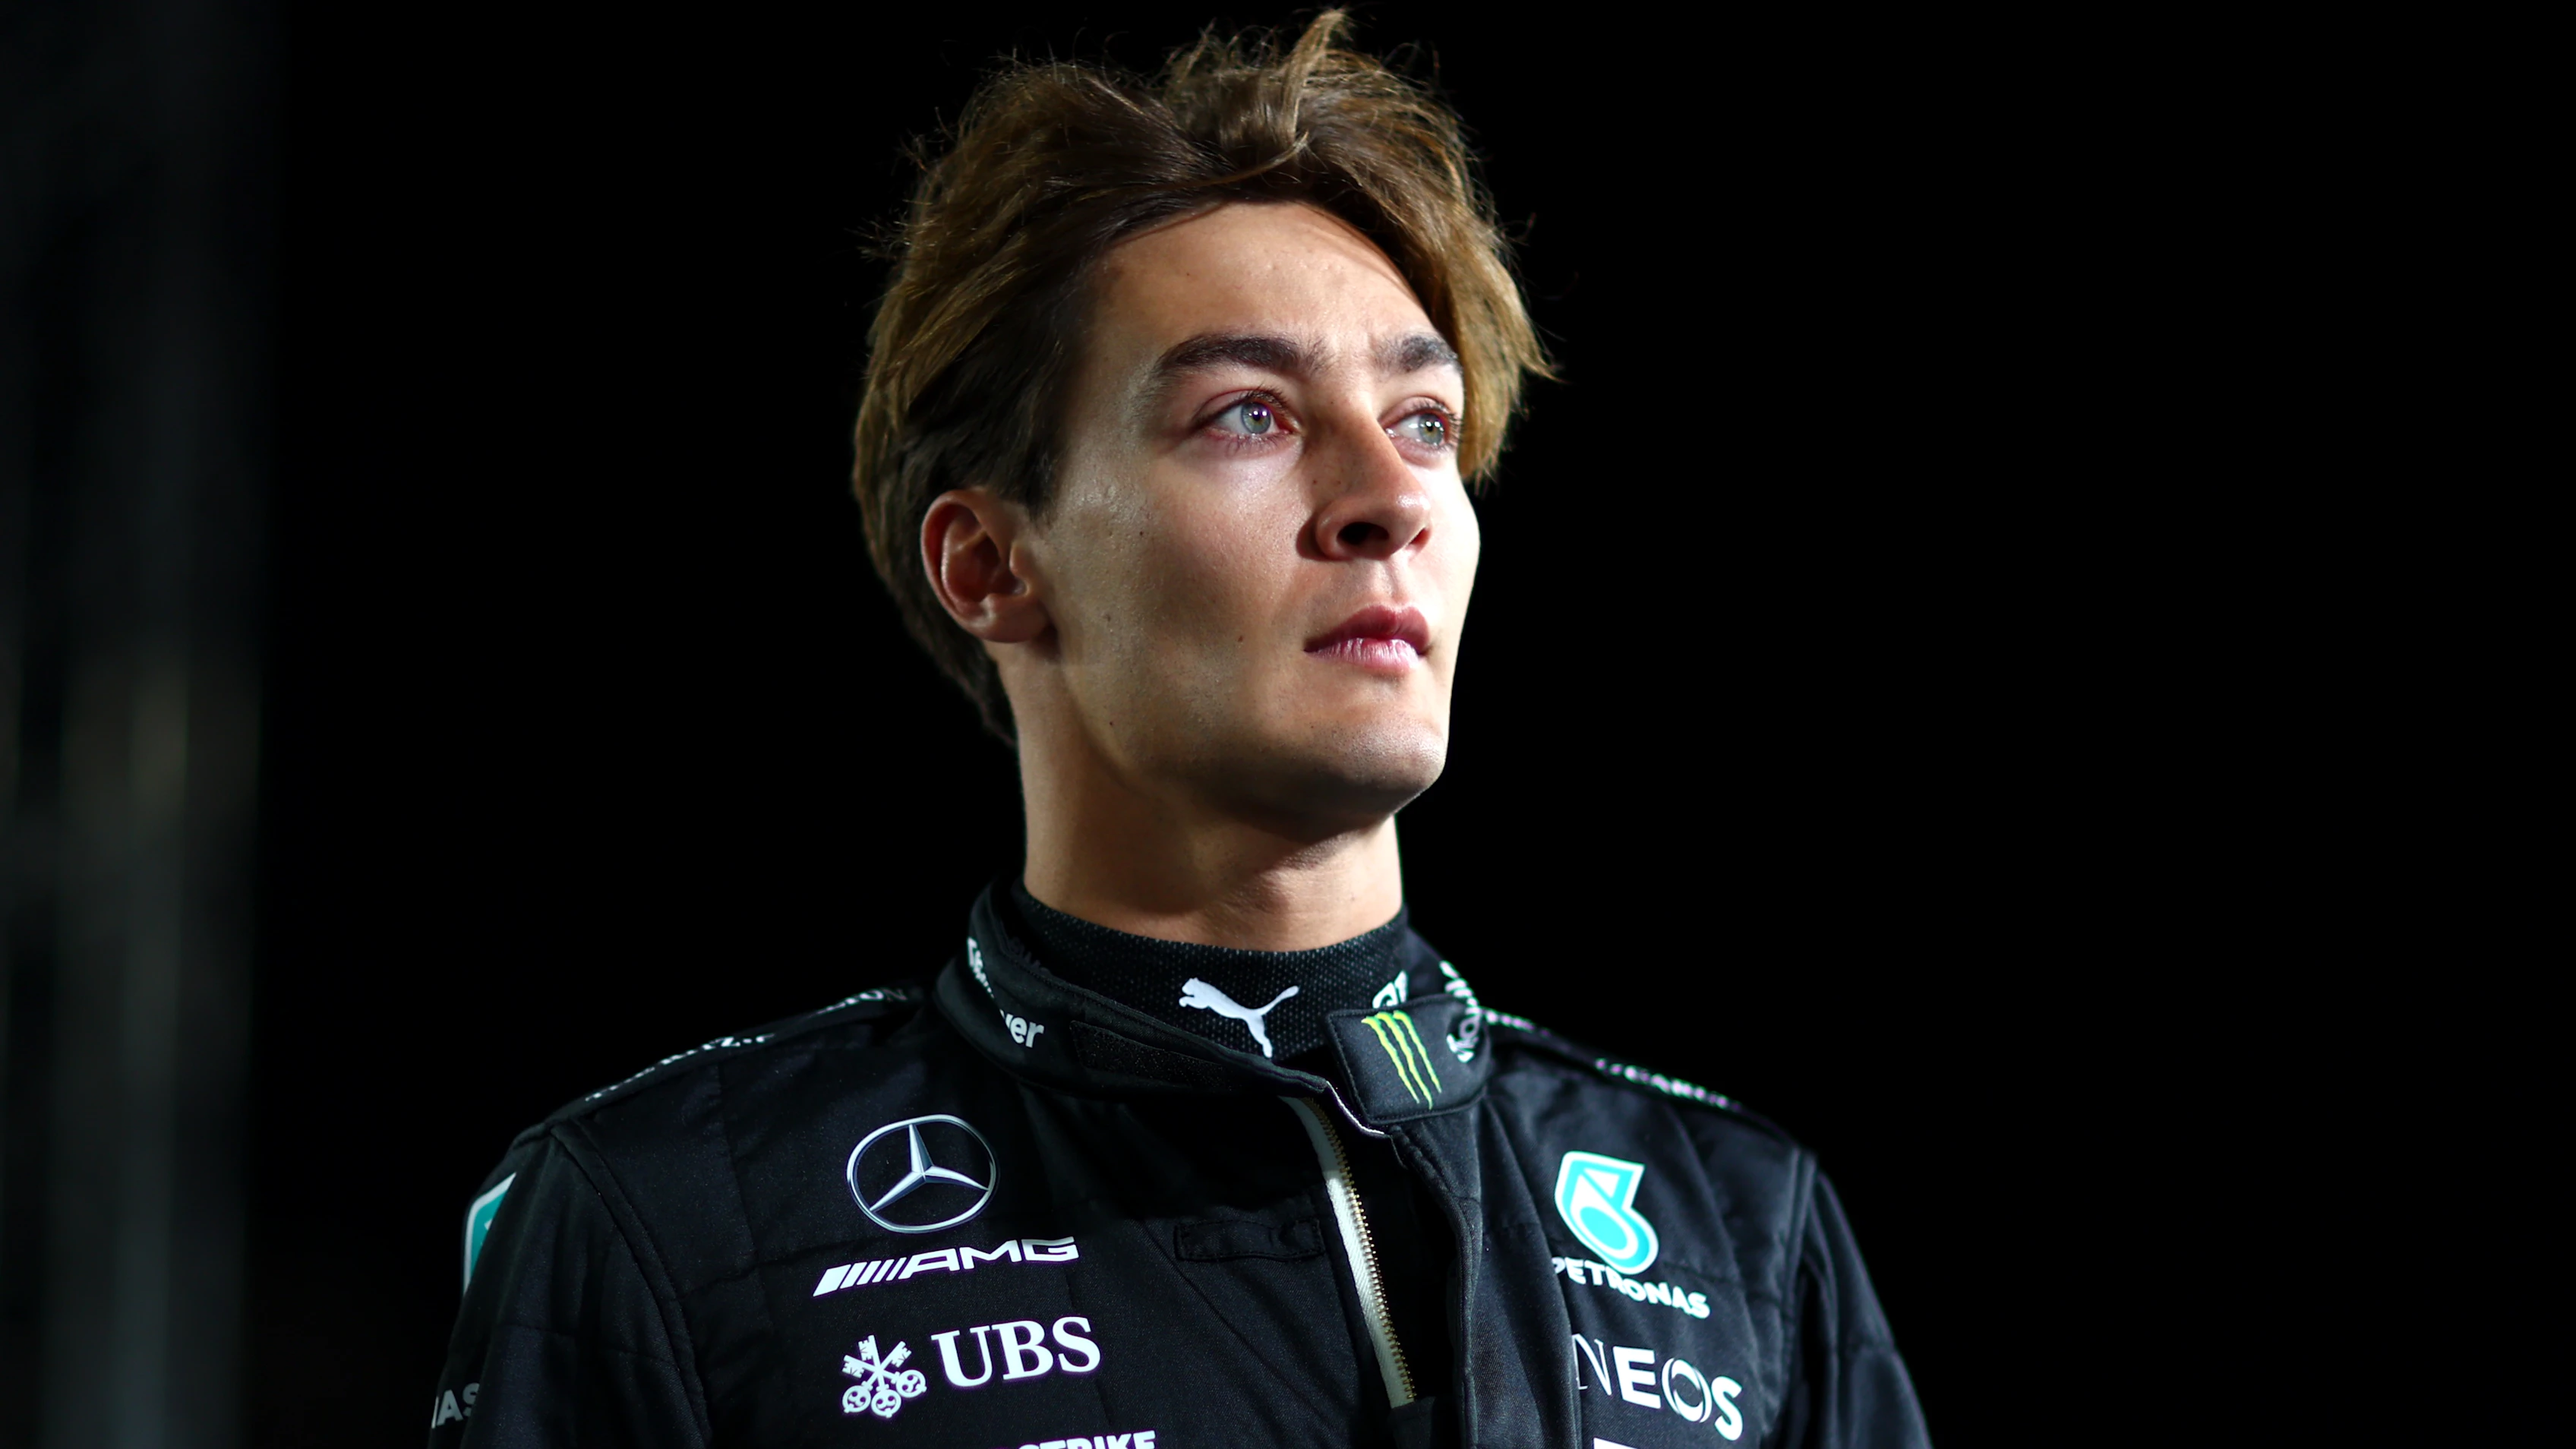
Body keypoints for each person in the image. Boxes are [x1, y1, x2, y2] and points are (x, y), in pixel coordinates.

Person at [427, 14, 1929, 1447]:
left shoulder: (1742, 1226)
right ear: (992, 565)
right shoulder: (669, 1220)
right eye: (1248, 416)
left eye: (1424, 422)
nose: (1391, 499)